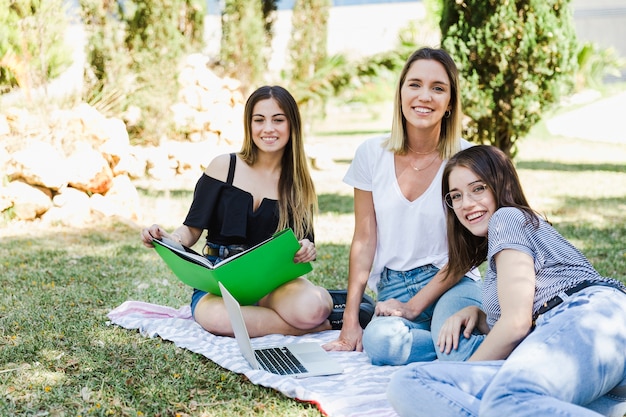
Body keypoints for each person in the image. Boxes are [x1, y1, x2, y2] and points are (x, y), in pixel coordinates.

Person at [387, 145, 626, 417]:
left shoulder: (507, 217)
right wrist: (480, 316)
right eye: (456, 196)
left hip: (591, 318)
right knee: (410, 382)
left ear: (500, 185)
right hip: (585, 352)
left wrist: (467, 374)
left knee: (504, 399)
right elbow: (524, 318)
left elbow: (517, 323)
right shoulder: (501, 254)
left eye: (478, 189)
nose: (466, 204)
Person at [141, 85, 373, 338]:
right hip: (219, 283)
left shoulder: (297, 184)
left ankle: (309, 314)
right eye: (259, 120)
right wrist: (169, 240)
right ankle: (325, 325)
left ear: (291, 125)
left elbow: (304, 243)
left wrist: (306, 248)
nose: (268, 129)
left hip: (272, 283)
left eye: (278, 120)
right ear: (249, 125)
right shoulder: (223, 167)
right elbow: (191, 229)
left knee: (314, 307)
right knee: (217, 317)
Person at [323, 47, 484, 365]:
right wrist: (351, 320)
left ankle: (460, 341)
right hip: (393, 286)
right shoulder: (370, 153)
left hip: (450, 280)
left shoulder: (468, 158)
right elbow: (364, 241)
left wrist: (413, 308)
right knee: (379, 342)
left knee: (454, 338)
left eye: (438, 88)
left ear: (450, 103)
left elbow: (472, 249)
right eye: (415, 84)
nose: (425, 96)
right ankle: (460, 344)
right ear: (400, 93)